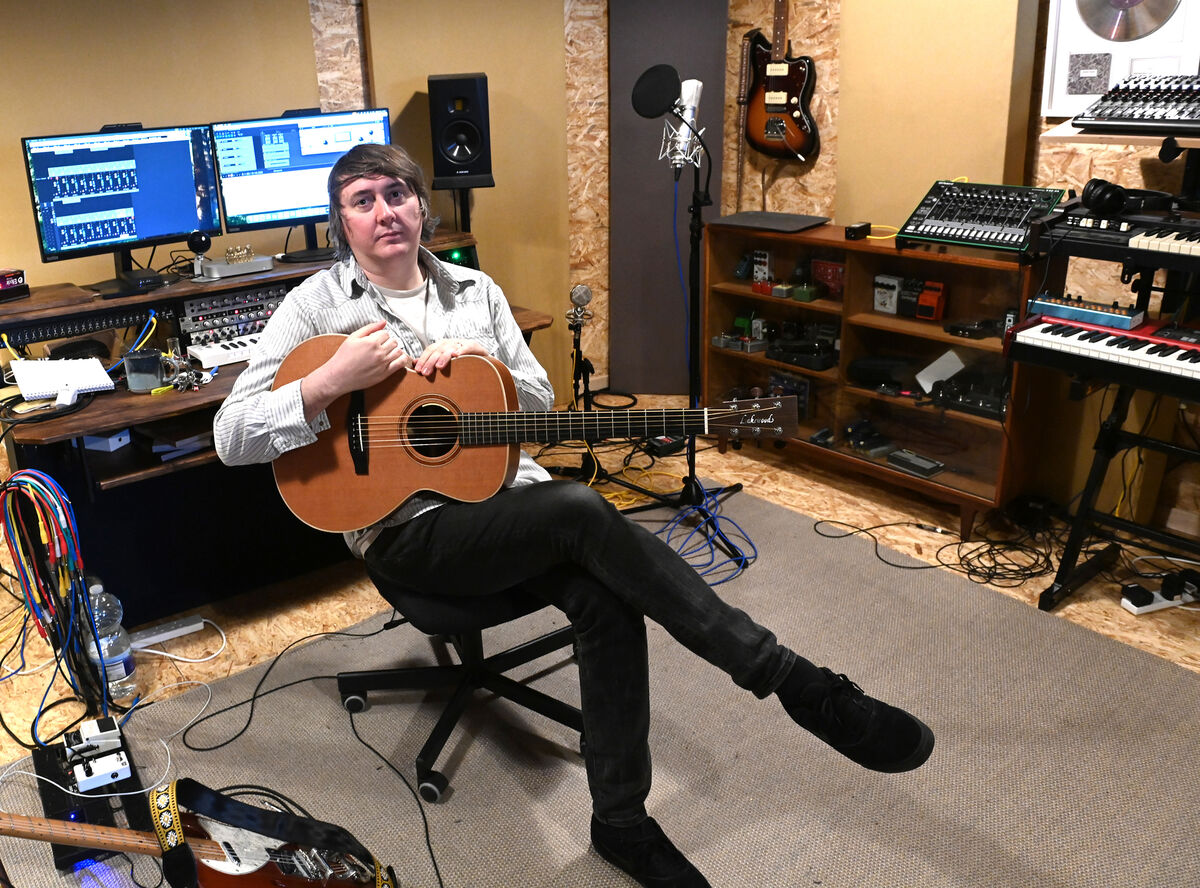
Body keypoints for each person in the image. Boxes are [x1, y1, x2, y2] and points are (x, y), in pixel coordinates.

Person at [213, 143, 934, 888]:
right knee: (581, 509)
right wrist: (330, 380)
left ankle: (620, 822)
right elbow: (231, 436)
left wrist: (483, 373)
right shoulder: (316, 307)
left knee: (605, 596)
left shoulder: (475, 293)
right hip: (407, 531)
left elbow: (538, 404)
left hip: (507, 507)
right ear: (342, 222)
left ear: (422, 205)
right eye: (361, 200)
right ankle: (794, 681)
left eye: (395, 193)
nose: (383, 211)